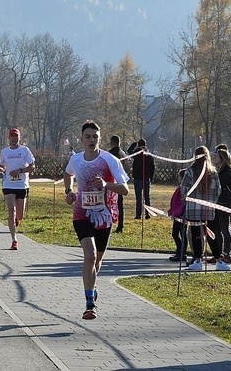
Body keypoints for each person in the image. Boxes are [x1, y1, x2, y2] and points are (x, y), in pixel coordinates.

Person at [63, 120, 129, 320]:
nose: (92, 140)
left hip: (104, 216)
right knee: (89, 255)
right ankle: (89, 303)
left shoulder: (109, 160)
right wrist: (69, 191)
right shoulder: (76, 160)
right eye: (88, 137)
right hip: (81, 213)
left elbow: (124, 190)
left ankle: (92, 287)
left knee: (97, 260)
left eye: (95, 137)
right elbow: (68, 174)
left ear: (100, 139)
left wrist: (106, 184)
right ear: (82, 140)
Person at [180, 145, 225, 271]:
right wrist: (212, 202)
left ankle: (198, 260)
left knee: (196, 235)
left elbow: (183, 189)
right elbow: (218, 190)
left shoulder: (189, 171)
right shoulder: (213, 172)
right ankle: (219, 260)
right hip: (208, 209)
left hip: (193, 209)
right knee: (211, 234)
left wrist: (186, 199)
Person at [0, 128, 36, 250]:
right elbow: (3, 166)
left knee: (19, 215)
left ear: (19, 138)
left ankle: (17, 219)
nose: (14, 138)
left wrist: (19, 171)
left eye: (16, 136)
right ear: (9, 138)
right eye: (12, 136)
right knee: (11, 211)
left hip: (21, 185)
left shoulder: (25, 150)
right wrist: (1, 169)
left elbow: (32, 167)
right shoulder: (4, 151)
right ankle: (14, 240)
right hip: (8, 184)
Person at [209, 148, 231, 264]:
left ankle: (227, 253)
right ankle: (218, 253)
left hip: (225, 203)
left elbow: (219, 185)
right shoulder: (219, 170)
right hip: (218, 203)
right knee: (217, 229)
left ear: (222, 159)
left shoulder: (227, 172)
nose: (215, 159)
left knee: (225, 229)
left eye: (217, 157)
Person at [108, 135, 128, 233]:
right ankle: (121, 225)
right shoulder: (123, 153)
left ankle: (109, 224)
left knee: (110, 203)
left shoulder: (110, 154)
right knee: (120, 205)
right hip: (121, 182)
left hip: (112, 183)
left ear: (111, 143)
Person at [131, 138, 154, 219]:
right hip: (146, 178)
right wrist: (150, 177)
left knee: (138, 197)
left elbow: (129, 151)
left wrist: (134, 144)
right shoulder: (149, 154)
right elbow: (152, 167)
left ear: (138, 144)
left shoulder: (136, 153)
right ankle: (147, 214)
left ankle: (138, 214)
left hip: (138, 177)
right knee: (147, 197)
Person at [168, 168, 188, 261]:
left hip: (181, 216)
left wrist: (175, 213)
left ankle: (182, 253)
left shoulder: (183, 189)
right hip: (176, 215)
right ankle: (179, 251)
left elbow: (182, 204)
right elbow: (174, 202)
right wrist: (171, 210)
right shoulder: (179, 188)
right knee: (175, 234)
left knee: (182, 234)